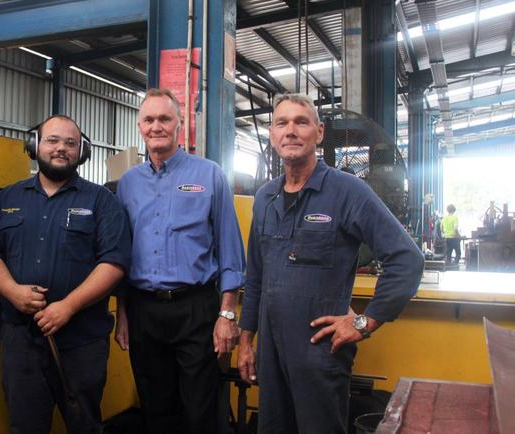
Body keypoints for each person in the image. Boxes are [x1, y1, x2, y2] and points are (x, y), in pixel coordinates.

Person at [237, 94, 424, 434]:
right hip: (271, 354)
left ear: (319, 133)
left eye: (301, 122)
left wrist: (366, 322)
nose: (291, 131)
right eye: (282, 123)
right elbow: (256, 276)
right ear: (272, 135)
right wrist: (246, 340)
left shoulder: (348, 191)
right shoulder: (265, 198)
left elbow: (407, 259)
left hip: (319, 355)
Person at [0, 114, 131, 434]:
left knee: (84, 424)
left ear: (81, 152)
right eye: (53, 140)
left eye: (70, 143)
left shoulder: (102, 201)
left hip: (82, 342)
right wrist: (13, 291)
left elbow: (114, 262)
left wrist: (69, 306)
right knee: (25, 426)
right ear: (36, 145)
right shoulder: (7, 199)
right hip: (22, 341)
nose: (61, 149)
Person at [114, 88, 246, 434]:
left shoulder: (209, 175)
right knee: (156, 410)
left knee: (201, 411)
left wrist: (227, 315)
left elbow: (230, 249)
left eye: (165, 118)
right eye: (149, 119)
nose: (156, 126)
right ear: (140, 126)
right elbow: (121, 253)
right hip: (143, 311)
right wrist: (122, 312)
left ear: (180, 124)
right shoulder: (127, 184)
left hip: (196, 309)